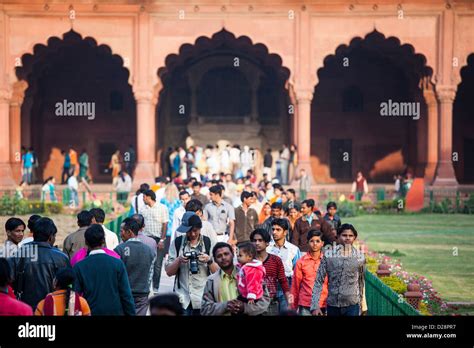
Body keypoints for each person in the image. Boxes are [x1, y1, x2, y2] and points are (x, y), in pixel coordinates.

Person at [73, 224, 135, 315]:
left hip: (90, 311)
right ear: (103, 241)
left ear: (86, 242)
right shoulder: (117, 263)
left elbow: (76, 297)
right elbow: (126, 294)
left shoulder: (79, 267)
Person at [9, 217, 70, 310]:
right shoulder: (61, 258)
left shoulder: (19, 254)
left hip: (25, 307)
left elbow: (9, 281)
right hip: (53, 308)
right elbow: (67, 286)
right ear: (50, 237)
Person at [165, 213, 218, 316]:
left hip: (202, 299)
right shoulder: (177, 243)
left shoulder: (208, 243)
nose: (193, 234)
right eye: (189, 231)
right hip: (182, 299)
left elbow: (218, 273)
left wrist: (209, 260)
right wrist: (179, 260)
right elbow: (169, 272)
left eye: (195, 230)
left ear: (200, 228)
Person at [311, 224, 366, 317]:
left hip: (352, 305)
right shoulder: (329, 255)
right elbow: (318, 281)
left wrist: (362, 305)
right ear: (338, 236)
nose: (347, 238)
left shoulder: (360, 257)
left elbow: (360, 282)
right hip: (333, 305)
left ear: (354, 237)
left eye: (350, 236)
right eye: (344, 235)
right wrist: (315, 306)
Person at [201, 242, 270, 316]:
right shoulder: (211, 281)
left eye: (226, 254)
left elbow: (264, 302)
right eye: (219, 256)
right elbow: (205, 310)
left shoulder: (250, 272)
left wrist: (244, 307)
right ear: (215, 260)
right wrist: (225, 306)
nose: (223, 257)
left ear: (233, 254)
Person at [115, 218, 156, 316]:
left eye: (122, 231)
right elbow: (150, 275)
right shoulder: (149, 250)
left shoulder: (119, 250)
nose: (120, 234)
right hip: (142, 296)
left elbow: (116, 275)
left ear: (129, 232)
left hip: (123, 295)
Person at [250, 228, 291, 315]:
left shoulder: (275, 260)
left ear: (267, 243)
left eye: (260, 240)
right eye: (254, 241)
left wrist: (290, 303)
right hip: (253, 305)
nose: (257, 243)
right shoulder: (248, 262)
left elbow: (283, 282)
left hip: (271, 303)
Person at [291, 230, 328, 315]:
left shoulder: (327, 262)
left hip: (323, 303)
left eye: (317, 241)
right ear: (307, 243)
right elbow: (295, 286)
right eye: (312, 241)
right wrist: (293, 307)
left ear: (322, 243)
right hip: (305, 303)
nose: (315, 244)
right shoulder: (301, 262)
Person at [267, 218, 301, 311]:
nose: (274, 232)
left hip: (288, 284)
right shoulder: (267, 249)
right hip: (269, 284)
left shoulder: (293, 249)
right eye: (273, 229)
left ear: (285, 232)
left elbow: (297, 271)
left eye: (278, 230)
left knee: (287, 311)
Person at [142, 189, 169, 293]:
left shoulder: (162, 208)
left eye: (144, 197)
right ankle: (146, 287)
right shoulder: (143, 209)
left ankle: (155, 288)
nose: (143, 199)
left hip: (159, 238)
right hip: (147, 238)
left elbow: (165, 224)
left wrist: (162, 240)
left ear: (149, 197)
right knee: (146, 263)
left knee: (157, 264)